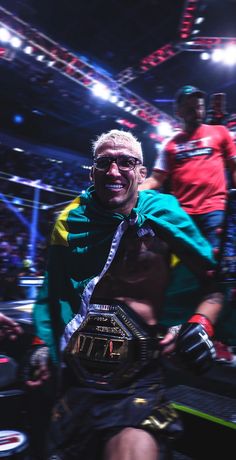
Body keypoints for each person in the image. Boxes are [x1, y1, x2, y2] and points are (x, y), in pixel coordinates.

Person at [26, 129, 223, 460]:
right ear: (92, 172)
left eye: (125, 162)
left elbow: (214, 283)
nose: (114, 171)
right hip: (76, 382)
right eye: (104, 162)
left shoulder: (165, 216)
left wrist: (202, 325)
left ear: (142, 173)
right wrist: (40, 349)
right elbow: (52, 294)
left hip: (136, 386)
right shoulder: (70, 222)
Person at [139, 85, 236, 251]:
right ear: (179, 112)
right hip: (182, 214)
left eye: (199, 106)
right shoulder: (169, 144)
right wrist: (134, 191)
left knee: (217, 263)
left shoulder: (220, 132)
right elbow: (156, 179)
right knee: (183, 265)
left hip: (215, 210)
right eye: (189, 107)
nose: (196, 110)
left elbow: (234, 167)